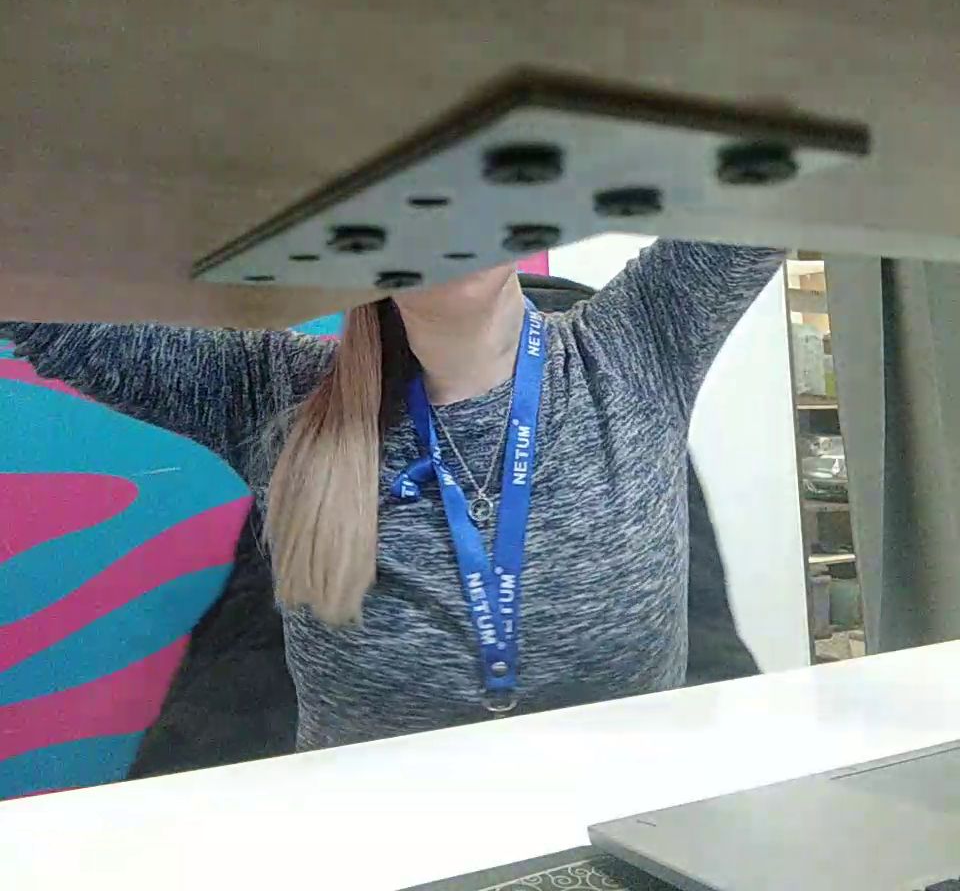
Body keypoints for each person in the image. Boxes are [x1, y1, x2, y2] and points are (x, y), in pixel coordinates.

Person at [2, 239, 781, 752]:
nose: (449, 220)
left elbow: (782, 155)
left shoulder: (639, 342)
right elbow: (40, 300)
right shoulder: (275, 394)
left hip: (615, 844)